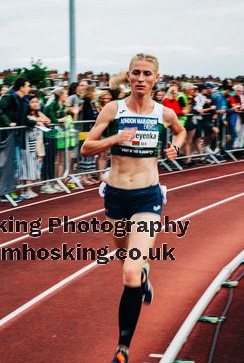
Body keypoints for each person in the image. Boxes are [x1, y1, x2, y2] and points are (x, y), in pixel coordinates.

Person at [80, 53, 185, 363]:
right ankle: (143, 276)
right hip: (115, 195)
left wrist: (175, 146)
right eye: (136, 72)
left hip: (146, 197)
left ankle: (122, 349)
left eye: (147, 73)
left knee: (129, 273)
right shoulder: (114, 109)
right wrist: (114, 138)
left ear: (155, 78)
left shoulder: (164, 113)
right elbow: (86, 147)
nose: (141, 78)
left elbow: (180, 130)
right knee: (127, 261)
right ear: (128, 76)